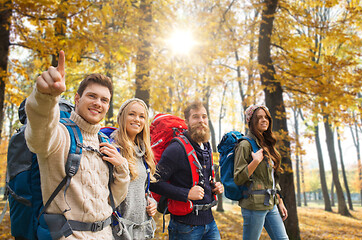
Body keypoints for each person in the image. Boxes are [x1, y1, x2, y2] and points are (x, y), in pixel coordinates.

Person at [25, 50, 130, 239]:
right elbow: (39, 135)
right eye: (92, 96)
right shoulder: (60, 134)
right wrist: (45, 98)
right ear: (77, 98)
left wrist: (122, 168)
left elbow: (113, 199)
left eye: (104, 100)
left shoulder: (104, 142)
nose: (98, 103)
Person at [150, 100, 224, 240]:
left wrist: (214, 187)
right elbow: (154, 182)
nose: (201, 120)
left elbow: (200, 179)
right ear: (187, 122)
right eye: (195, 117)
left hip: (210, 222)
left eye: (204, 116)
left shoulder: (206, 146)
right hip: (185, 227)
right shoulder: (176, 149)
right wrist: (186, 194)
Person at [234, 104, 289, 240]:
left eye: (266, 117)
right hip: (253, 205)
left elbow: (272, 178)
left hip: (271, 203)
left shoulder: (267, 144)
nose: (264, 120)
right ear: (251, 121)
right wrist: (255, 162)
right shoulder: (244, 145)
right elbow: (238, 178)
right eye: (259, 118)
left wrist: (280, 201)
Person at [110, 98, 157, 239]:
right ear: (121, 117)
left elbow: (141, 188)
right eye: (132, 114)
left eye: (142, 116)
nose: (137, 119)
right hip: (118, 230)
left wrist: (151, 201)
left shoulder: (143, 152)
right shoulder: (112, 148)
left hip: (141, 229)